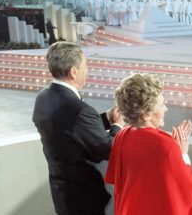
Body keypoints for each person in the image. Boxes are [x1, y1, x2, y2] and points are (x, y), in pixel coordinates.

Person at [32, 42, 123, 214]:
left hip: (61, 192)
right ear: (73, 72)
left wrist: (105, 119)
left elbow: (68, 128)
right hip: (84, 199)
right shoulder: (79, 110)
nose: (87, 72)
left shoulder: (43, 98)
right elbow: (107, 149)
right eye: (85, 67)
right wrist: (118, 125)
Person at [105, 73, 192, 215]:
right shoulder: (165, 145)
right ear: (146, 114)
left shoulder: (121, 136)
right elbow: (190, 192)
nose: (166, 109)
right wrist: (183, 154)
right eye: (162, 104)